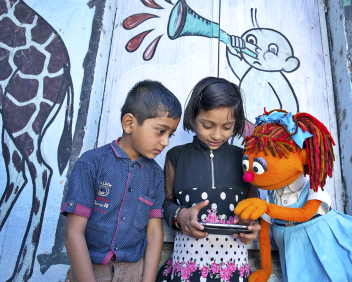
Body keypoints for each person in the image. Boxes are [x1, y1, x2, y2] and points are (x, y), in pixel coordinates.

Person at [62, 80, 182, 282]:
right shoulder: (91, 164)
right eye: (161, 131)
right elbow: (73, 233)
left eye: (171, 134)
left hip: (133, 272)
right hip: (88, 271)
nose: (166, 141)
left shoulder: (155, 175)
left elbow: (154, 234)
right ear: (129, 123)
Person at [157, 77, 261, 282]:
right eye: (207, 125)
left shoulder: (245, 159)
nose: (216, 135)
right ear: (193, 116)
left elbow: (253, 206)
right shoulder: (176, 156)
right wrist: (180, 215)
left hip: (234, 268)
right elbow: (166, 202)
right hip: (187, 265)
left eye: (227, 127)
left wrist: (251, 226)